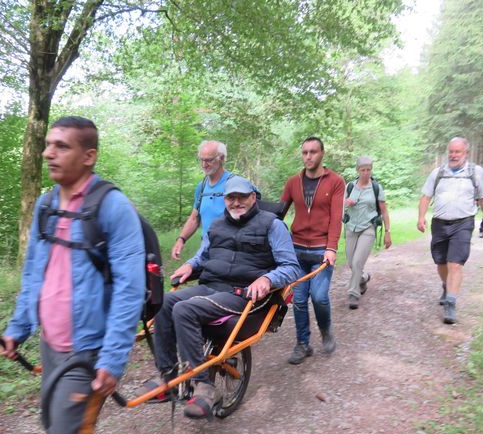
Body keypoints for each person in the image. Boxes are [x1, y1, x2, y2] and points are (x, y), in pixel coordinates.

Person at [0, 116, 144, 434]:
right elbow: (34, 270)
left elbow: (130, 288)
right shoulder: (45, 205)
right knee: (55, 433)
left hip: (89, 350)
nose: (49, 153)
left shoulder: (113, 207)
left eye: (61, 146)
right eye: (48, 144)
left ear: (89, 155)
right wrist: (18, 327)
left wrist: (112, 359)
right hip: (52, 344)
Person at [139, 176, 300, 419]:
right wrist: (190, 266)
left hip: (242, 294)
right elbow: (202, 257)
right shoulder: (216, 225)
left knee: (185, 310)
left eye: (241, 196)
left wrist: (267, 279)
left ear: (253, 197)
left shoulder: (272, 225)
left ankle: (204, 386)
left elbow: (291, 266)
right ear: (224, 199)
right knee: (164, 305)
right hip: (211, 286)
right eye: (230, 197)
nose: (236, 202)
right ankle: (168, 376)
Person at [281, 136, 345, 365]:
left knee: (318, 297)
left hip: (321, 250)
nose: (308, 156)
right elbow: (279, 213)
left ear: (322, 154)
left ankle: (326, 330)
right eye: (305, 152)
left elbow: (336, 218)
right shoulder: (292, 182)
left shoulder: (336, 182)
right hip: (297, 250)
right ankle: (302, 344)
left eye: (313, 152)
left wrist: (331, 247)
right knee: (298, 299)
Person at [417, 137, 483, 325]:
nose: (453, 155)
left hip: (463, 223)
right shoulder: (438, 172)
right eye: (450, 151)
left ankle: (450, 302)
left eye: (457, 151)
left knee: (455, 264)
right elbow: (426, 196)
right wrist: (421, 217)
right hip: (439, 223)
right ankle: (446, 285)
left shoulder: (475, 172)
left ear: (465, 153)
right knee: (441, 263)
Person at [171, 140, 235, 260]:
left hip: (231, 251)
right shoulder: (202, 186)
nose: (204, 164)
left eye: (209, 160)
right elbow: (194, 218)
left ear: (221, 158)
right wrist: (181, 239)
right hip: (207, 249)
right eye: (201, 159)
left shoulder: (234, 184)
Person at [343, 156, 392, 310]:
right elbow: (338, 205)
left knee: (358, 262)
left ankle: (353, 294)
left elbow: (384, 211)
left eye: (368, 169)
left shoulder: (376, 188)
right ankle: (363, 278)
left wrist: (388, 232)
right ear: (358, 170)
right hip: (351, 227)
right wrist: (346, 202)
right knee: (351, 263)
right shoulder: (350, 186)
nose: (366, 173)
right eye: (363, 170)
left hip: (368, 228)